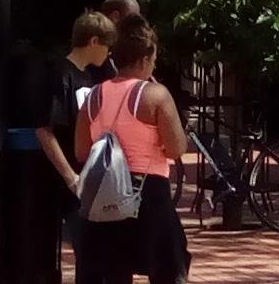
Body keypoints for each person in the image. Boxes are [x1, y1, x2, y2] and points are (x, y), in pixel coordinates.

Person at [72, 17, 191, 284]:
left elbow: (81, 152)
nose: (155, 64)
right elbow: (176, 149)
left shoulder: (93, 96)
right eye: (154, 58)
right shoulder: (156, 95)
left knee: (111, 272)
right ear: (145, 58)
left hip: (103, 193)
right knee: (169, 269)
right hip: (147, 193)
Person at [37, 15, 119, 252]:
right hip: (71, 178)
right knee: (86, 247)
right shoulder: (61, 74)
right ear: (94, 41)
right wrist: (70, 177)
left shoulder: (95, 75)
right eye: (107, 47)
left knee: (98, 247)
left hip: (93, 177)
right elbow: (45, 130)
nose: (109, 54)